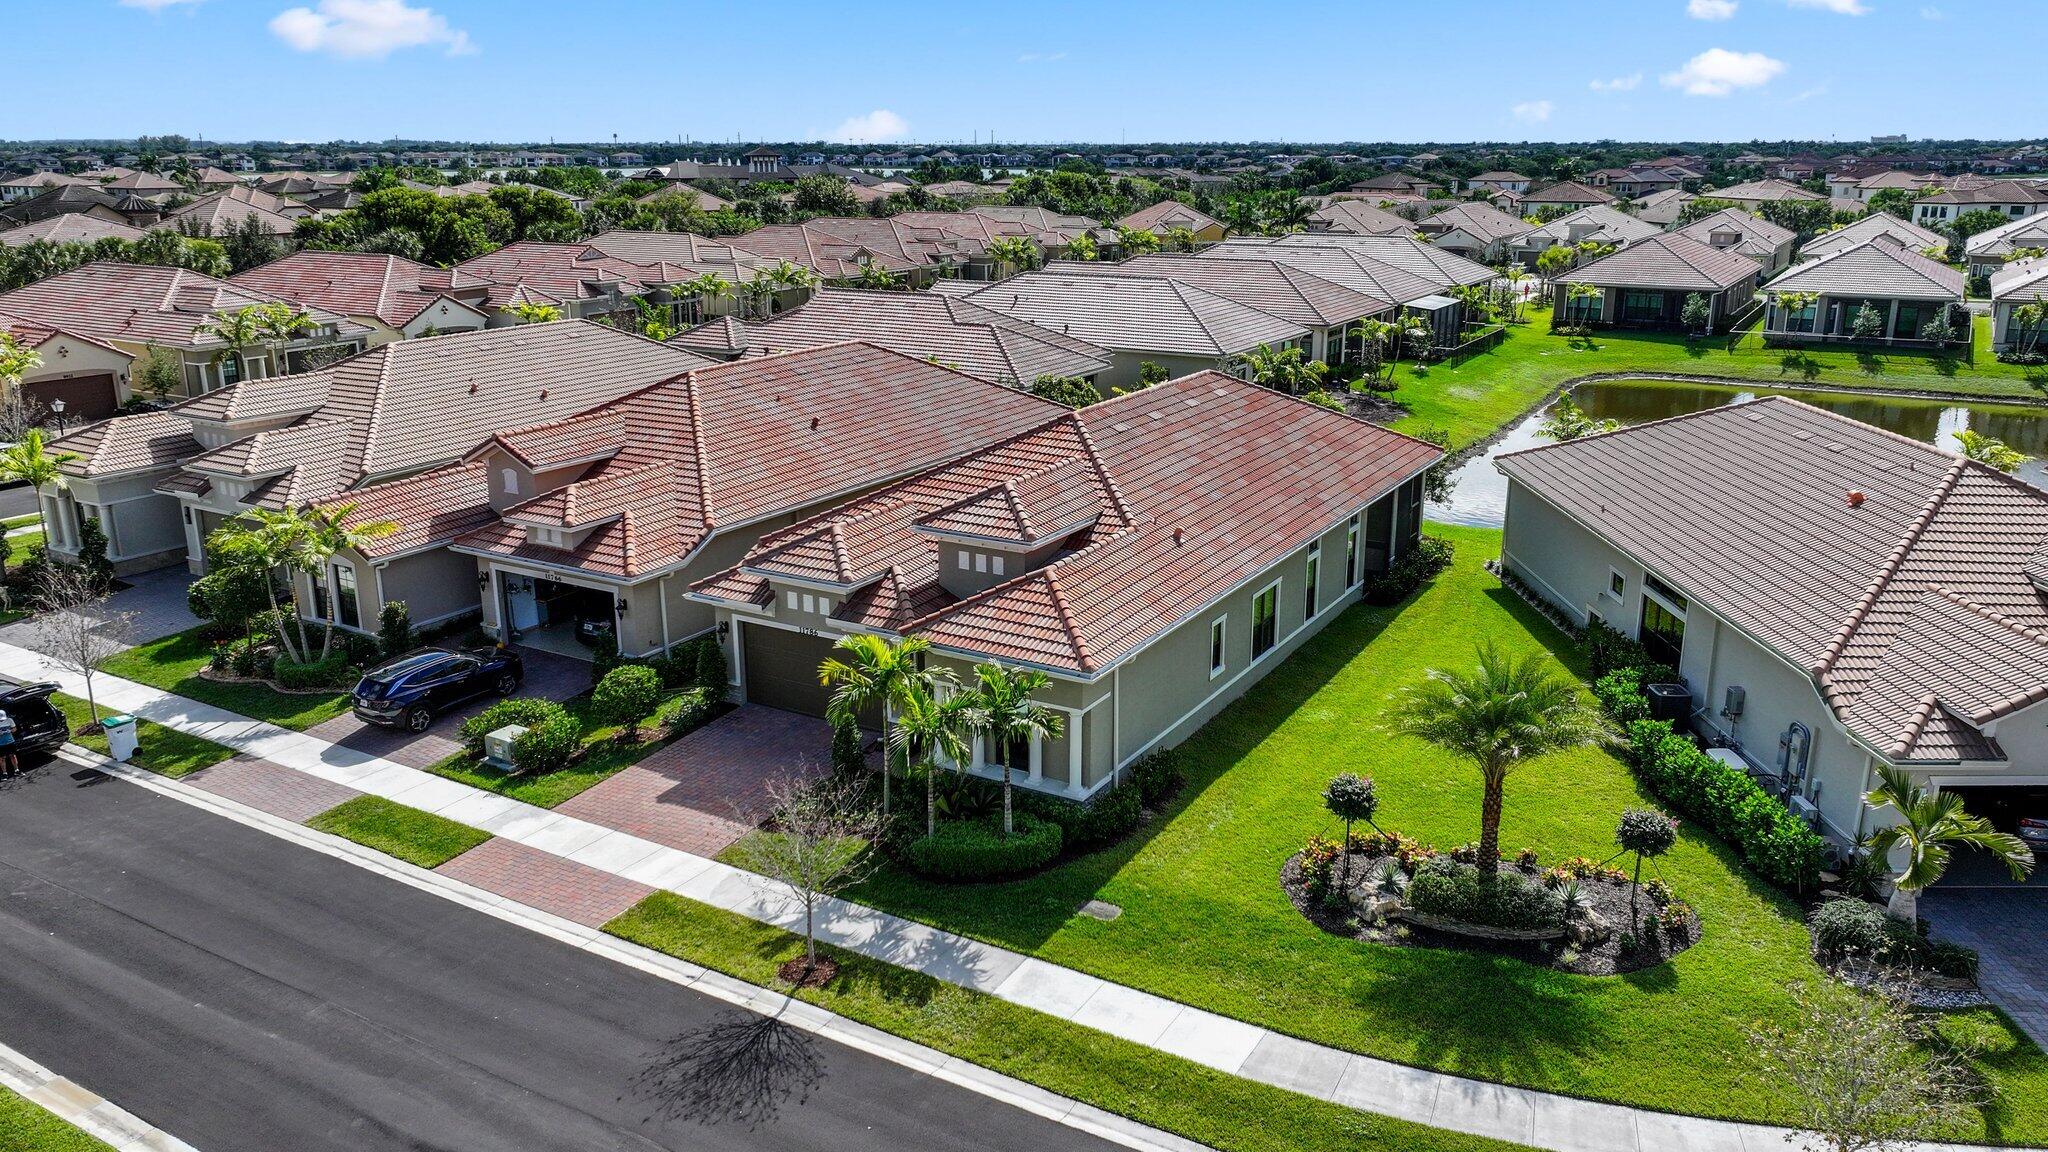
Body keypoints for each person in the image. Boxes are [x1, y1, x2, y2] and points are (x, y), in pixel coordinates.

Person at [0, 709, 18, 777]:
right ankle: (4, 773)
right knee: (2, 758)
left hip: (10, 741)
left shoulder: (9, 720)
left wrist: (9, 730)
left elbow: (14, 729)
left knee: (13, 756)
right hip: (1, 743)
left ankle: (16, 770)